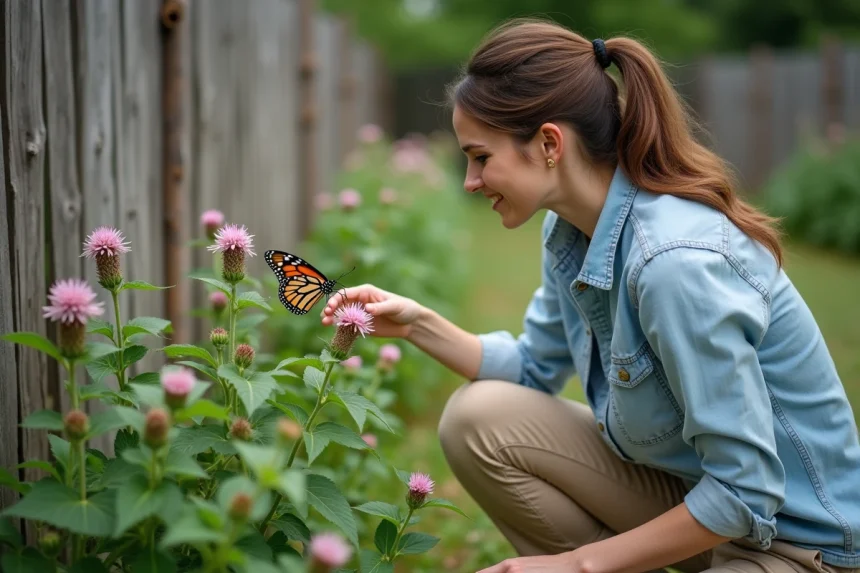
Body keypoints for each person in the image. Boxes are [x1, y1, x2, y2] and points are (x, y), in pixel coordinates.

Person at [321, 18, 860, 573]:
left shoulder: (672, 264)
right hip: (703, 507)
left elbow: (747, 492)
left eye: (481, 156)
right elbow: (533, 367)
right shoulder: (570, 232)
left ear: (550, 143)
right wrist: (415, 324)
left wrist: (575, 564)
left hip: (800, 546)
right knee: (477, 419)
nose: (470, 180)